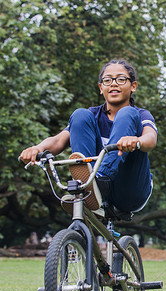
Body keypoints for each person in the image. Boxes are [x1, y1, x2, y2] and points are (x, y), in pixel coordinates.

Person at [19, 59, 158, 216]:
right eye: (107, 80)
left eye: (121, 79)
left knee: (127, 113)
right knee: (80, 114)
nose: (113, 84)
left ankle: (96, 180)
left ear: (133, 86)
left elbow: (151, 139)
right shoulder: (92, 116)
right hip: (95, 191)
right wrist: (37, 148)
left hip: (130, 190)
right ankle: (90, 185)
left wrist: (136, 141)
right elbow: (58, 140)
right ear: (101, 88)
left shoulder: (140, 115)